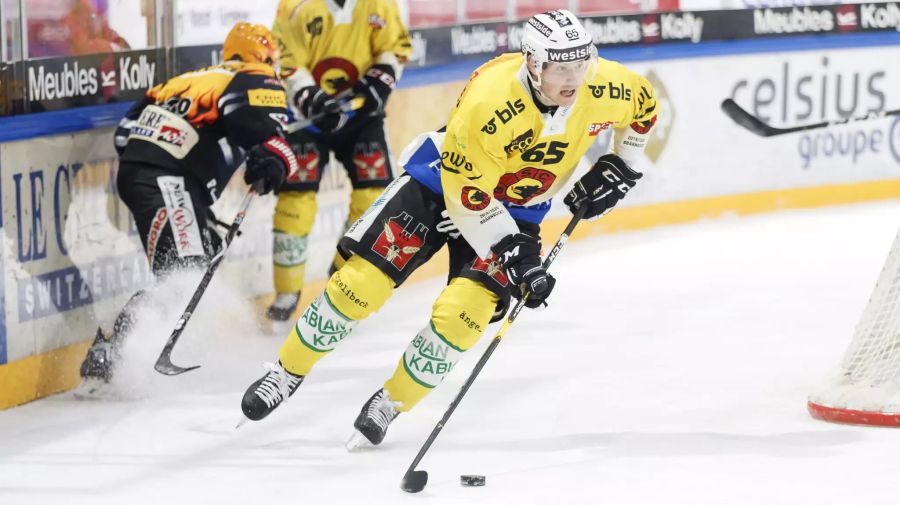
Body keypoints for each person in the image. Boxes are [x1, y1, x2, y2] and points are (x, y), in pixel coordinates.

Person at [239, 10, 658, 449]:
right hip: (442, 185)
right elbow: (468, 194)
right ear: (534, 63)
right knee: (358, 286)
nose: (573, 78)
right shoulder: (490, 101)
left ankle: (391, 401)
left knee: (465, 318)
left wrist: (622, 165)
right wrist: (512, 250)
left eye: (580, 64)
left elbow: (644, 107)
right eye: (560, 67)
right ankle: (285, 372)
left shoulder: (605, 84)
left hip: (518, 210)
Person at [78, 22, 300, 393]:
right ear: (265, 55)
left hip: (146, 174)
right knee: (185, 272)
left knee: (200, 255)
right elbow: (264, 132)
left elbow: (123, 136)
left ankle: (119, 351)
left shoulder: (184, 80)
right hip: (168, 179)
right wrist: (277, 156)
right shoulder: (254, 76)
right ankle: (112, 352)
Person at [264, 0, 412, 323]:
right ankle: (287, 293)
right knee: (295, 200)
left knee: (375, 196)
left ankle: (342, 276)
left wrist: (379, 79)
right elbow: (284, 61)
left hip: (360, 117)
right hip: (307, 117)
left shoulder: (380, 4)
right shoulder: (294, 6)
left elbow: (396, 47)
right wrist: (311, 97)